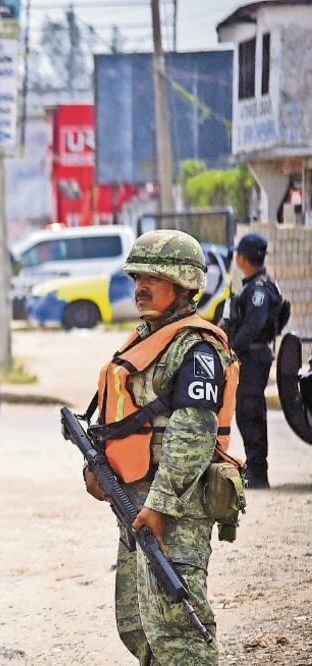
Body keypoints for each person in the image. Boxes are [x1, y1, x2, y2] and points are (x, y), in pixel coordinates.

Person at [82, 229, 240, 665]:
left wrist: (162, 505)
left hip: (175, 509)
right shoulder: (146, 339)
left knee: (179, 632)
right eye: (138, 277)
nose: (142, 287)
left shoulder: (197, 349)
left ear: (185, 285)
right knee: (138, 626)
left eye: (155, 277)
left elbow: (193, 433)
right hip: (136, 503)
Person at [224, 232, 281, 489]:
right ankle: (255, 468)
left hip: (253, 356)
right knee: (247, 412)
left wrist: (231, 349)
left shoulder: (257, 289)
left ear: (243, 258)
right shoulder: (254, 285)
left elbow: (253, 326)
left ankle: (258, 473)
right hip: (251, 355)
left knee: (251, 412)